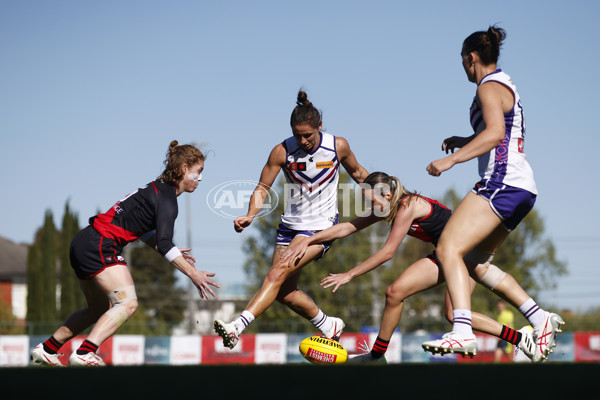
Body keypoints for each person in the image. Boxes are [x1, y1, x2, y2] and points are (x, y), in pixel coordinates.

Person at [281, 171, 554, 363]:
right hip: (447, 253)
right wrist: (310, 239)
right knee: (394, 293)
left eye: (372, 201)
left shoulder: (408, 206)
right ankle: (377, 356)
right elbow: (346, 228)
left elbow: (388, 252)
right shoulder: (387, 207)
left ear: (387, 193)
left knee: (452, 313)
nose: (370, 206)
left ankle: (520, 338)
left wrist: (350, 274)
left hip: (467, 253)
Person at [423, 25, 564, 358]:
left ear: (471, 58)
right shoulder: (503, 83)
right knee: (474, 263)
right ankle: (539, 317)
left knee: (448, 248)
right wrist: (465, 140)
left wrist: (451, 160)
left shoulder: (488, 87)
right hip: (519, 188)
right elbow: (497, 130)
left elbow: (496, 134)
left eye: (462, 61)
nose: (463, 68)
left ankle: (461, 331)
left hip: (502, 182)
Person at [31, 140, 219, 367]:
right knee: (128, 304)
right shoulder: (168, 200)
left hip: (85, 241)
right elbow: (164, 242)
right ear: (182, 169)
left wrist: (169, 249)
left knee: (99, 309)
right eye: (198, 172)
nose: (200, 179)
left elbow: (147, 233)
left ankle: (48, 349)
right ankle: (85, 353)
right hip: (100, 243)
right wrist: (193, 274)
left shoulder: (157, 188)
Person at [213, 90, 368, 349]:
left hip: (321, 227)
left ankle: (236, 327)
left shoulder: (337, 145)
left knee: (275, 273)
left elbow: (359, 173)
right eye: (297, 135)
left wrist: (384, 195)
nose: (303, 140)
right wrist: (251, 214)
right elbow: (262, 187)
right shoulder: (281, 151)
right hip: (290, 226)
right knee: (284, 292)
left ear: (320, 126)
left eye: (308, 134)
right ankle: (329, 325)